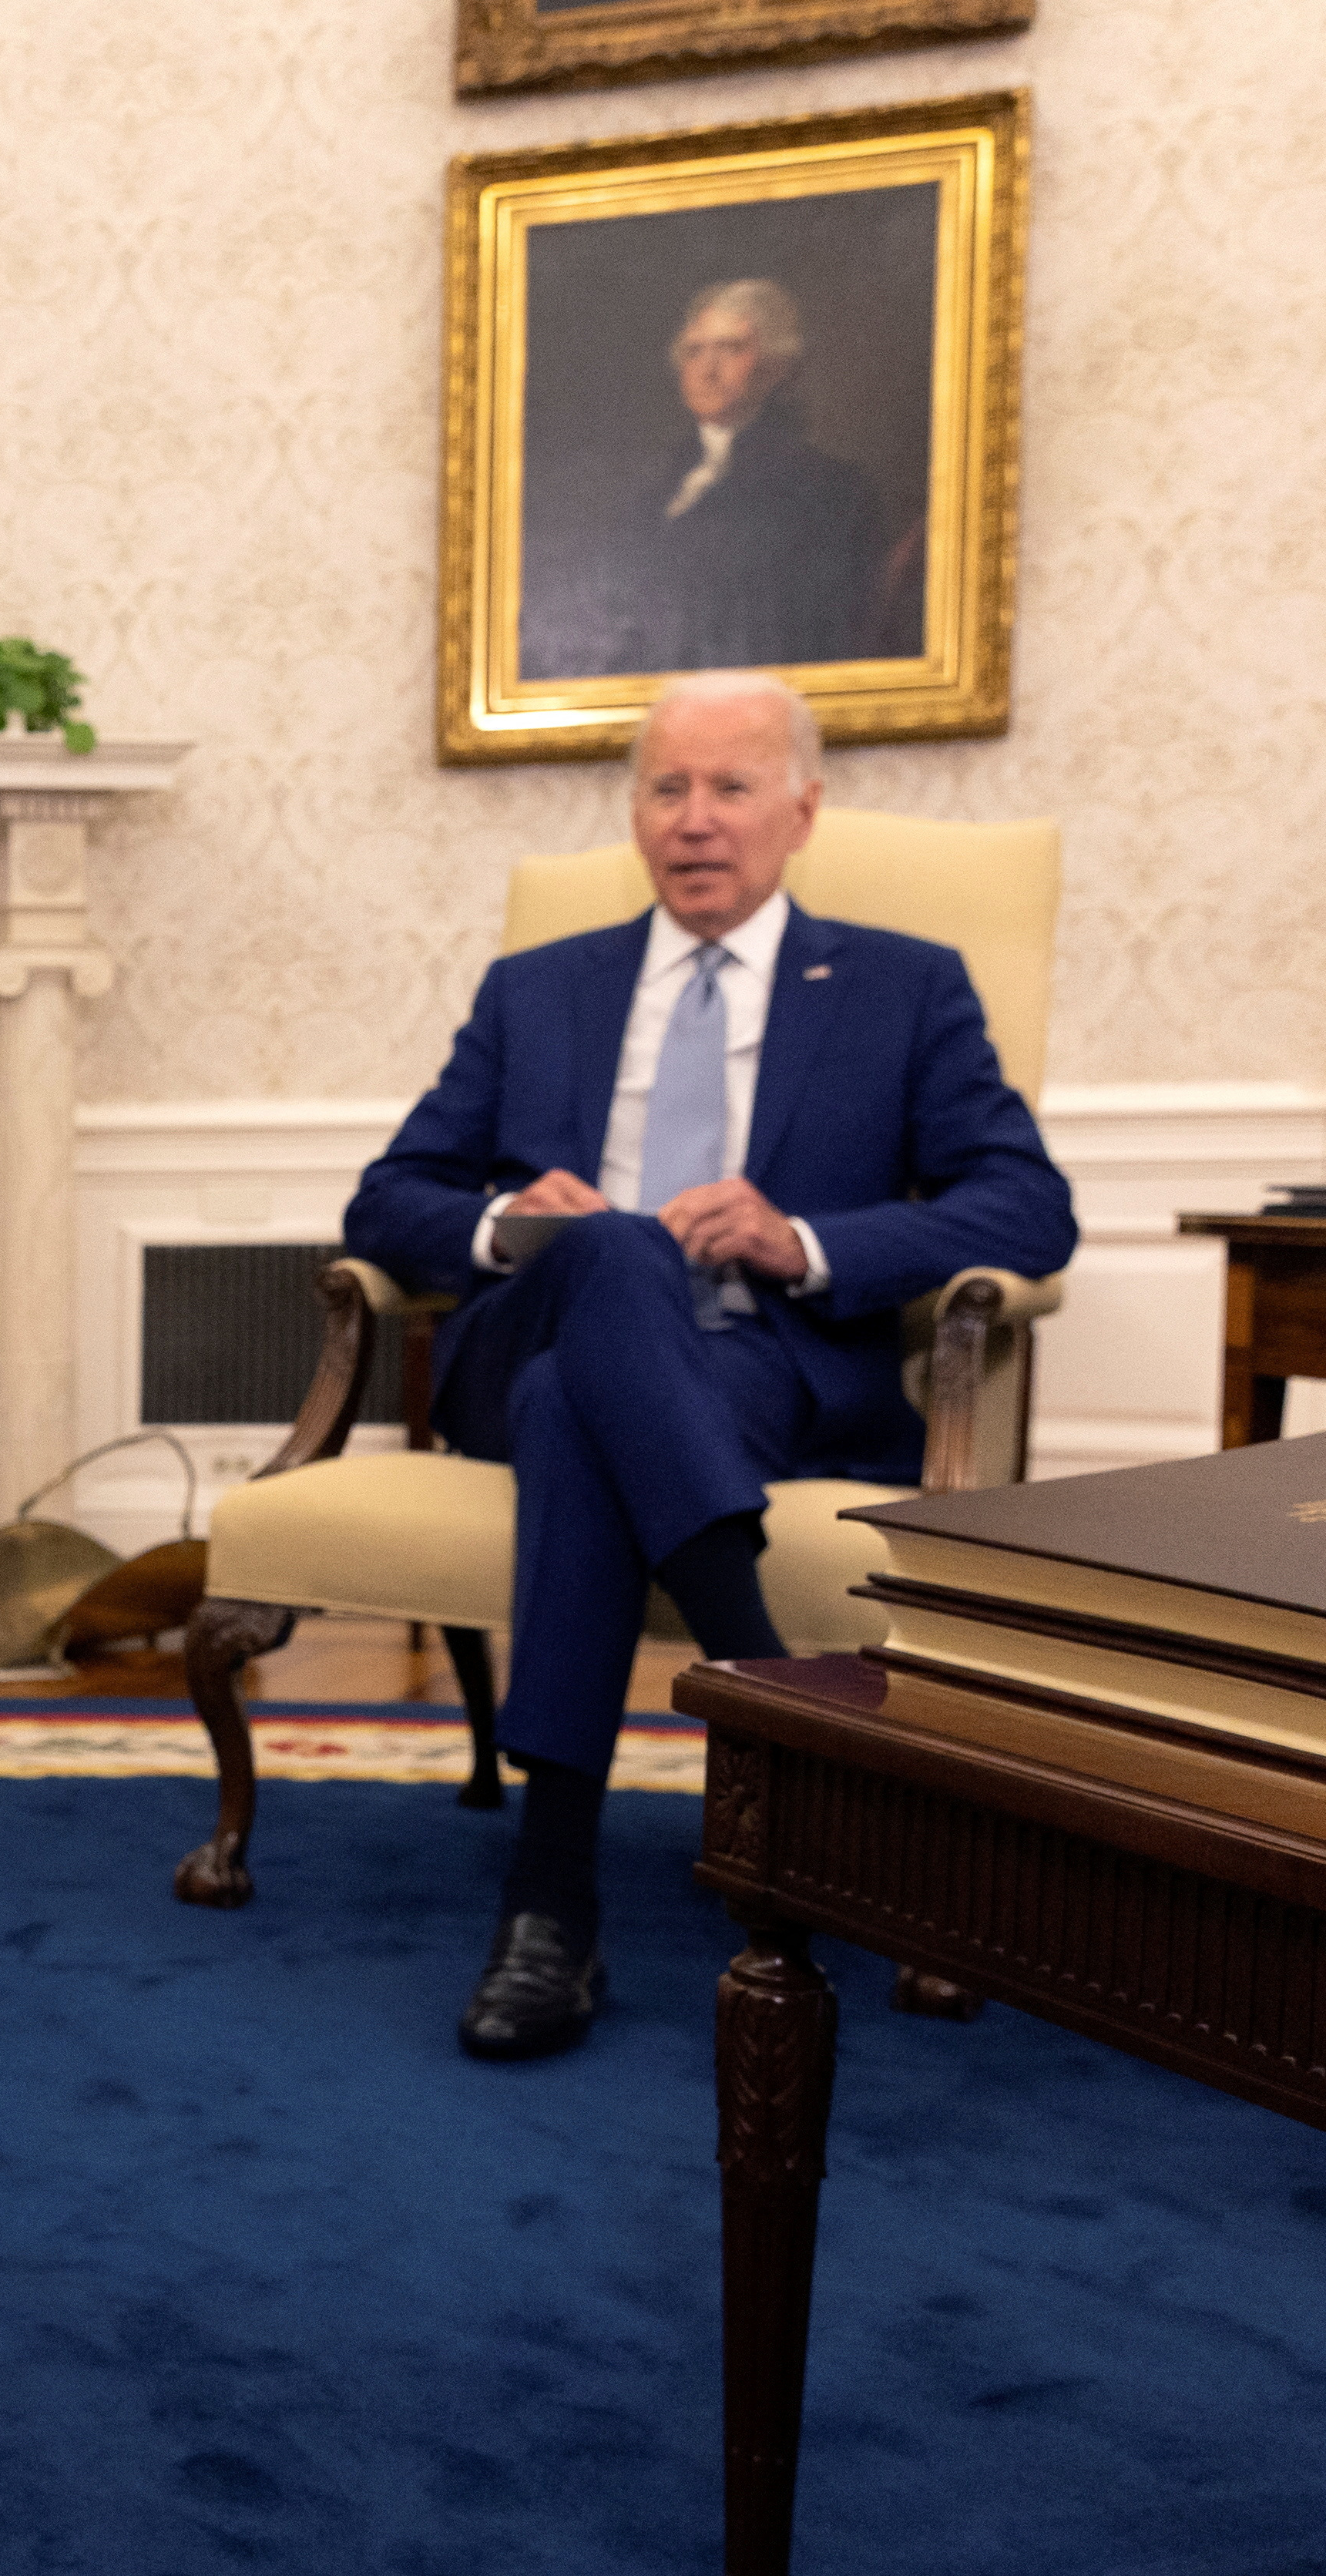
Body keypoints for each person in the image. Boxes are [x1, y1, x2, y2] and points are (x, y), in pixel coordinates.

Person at [343, 671, 1073, 2060]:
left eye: (730, 787)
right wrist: (506, 1223)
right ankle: (761, 1679)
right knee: (610, 1256)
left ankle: (550, 1900)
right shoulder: (537, 989)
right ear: (633, 813)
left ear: (801, 811)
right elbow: (386, 1202)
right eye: (665, 789)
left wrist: (801, 1240)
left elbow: (1027, 1209)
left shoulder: (902, 987)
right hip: (529, 1328)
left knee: (578, 1405)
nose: (694, 819)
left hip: (756, 1357)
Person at [549, 280, 903, 681]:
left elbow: (825, 636)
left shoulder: (829, 492)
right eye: (694, 352)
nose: (707, 370)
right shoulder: (652, 488)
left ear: (775, 367)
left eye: (732, 349)